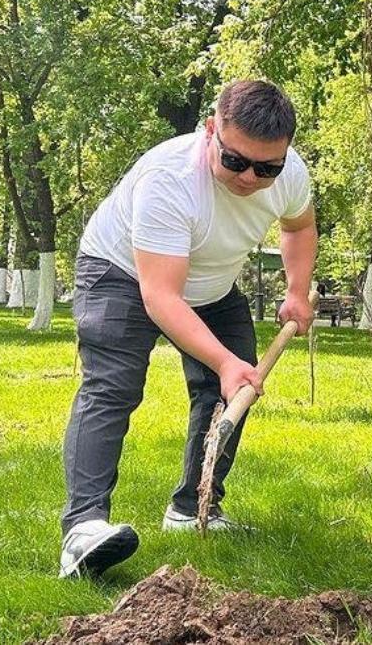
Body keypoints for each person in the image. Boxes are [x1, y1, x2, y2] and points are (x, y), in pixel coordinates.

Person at [59, 80, 317, 578]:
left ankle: (192, 507)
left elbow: (299, 227)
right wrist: (222, 361)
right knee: (113, 387)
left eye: (267, 168)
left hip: (213, 286)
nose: (249, 178)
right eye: (235, 161)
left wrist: (298, 290)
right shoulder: (170, 179)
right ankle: (83, 529)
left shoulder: (291, 175)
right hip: (122, 275)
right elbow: (161, 297)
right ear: (210, 132)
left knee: (227, 395)